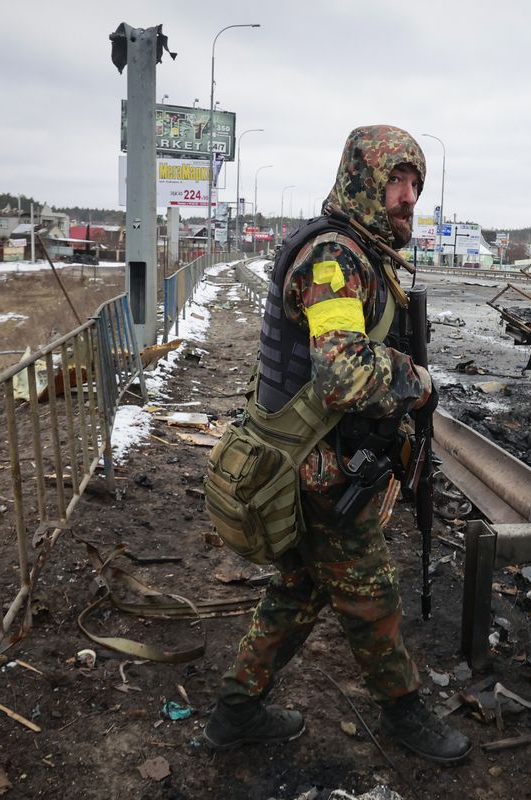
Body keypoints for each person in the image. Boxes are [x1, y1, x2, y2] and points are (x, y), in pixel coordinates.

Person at [203, 125, 471, 764]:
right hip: (313, 466)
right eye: (396, 182)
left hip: (316, 458)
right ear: (363, 182)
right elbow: (344, 371)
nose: (408, 197)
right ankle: (406, 713)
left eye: (415, 185)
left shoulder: (362, 252)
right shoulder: (334, 258)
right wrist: (420, 381)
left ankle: (234, 713)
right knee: (370, 592)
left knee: (301, 586)